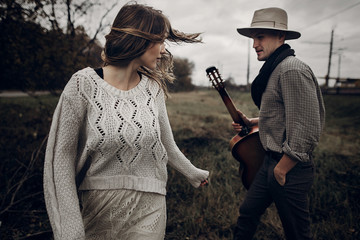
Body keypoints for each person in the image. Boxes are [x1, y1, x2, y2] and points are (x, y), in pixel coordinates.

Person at [43, 2, 209, 239]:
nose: (163, 50)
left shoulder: (153, 89)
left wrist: (192, 172)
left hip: (150, 206)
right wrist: (70, 228)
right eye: (160, 41)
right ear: (141, 39)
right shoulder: (83, 85)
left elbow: (166, 143)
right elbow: (61, 161)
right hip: (100, 210)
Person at [232, 7, 325, 240]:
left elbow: (307, 127)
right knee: (247, 213)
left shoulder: (291, 70)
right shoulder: (275, 68)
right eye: (254, 38)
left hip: (289, 168)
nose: (254, 44)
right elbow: (282, 113)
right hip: (269, 163)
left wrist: (282, 169)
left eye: (260, 37)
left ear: (281, 37)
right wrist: (252, 121)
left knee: (296, 232)